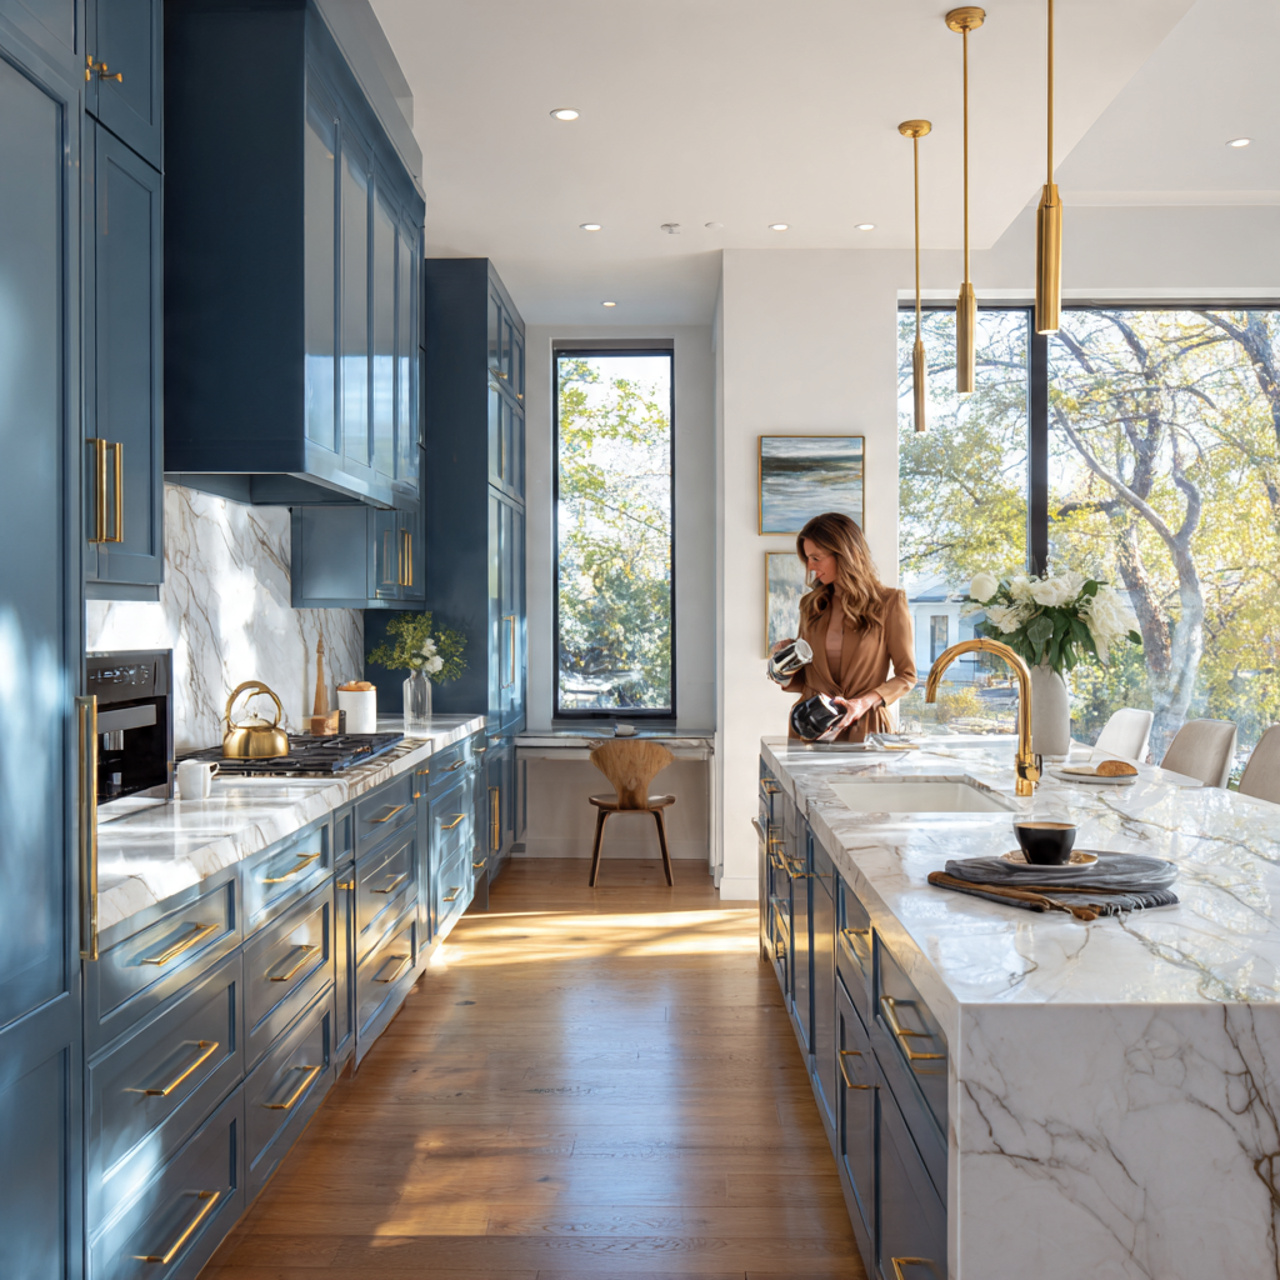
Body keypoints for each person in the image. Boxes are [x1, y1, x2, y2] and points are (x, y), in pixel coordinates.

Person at [772, 512, 917, 742]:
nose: (810, 567)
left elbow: (907, 676)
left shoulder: (890, 603)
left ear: (844, 554)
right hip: (812, 727)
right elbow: (806, 681)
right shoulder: (810, 606)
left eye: (816, 558)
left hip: (867, 728)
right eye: (808, 558)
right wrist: (784, 668)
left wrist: (863, 703)